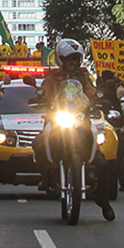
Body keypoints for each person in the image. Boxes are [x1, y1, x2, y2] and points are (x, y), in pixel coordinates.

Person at [31, 38, 115, 222]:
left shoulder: (84, 77)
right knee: (38, 143)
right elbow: (44, 92)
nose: (72, 62)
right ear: (61, 59)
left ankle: (103, 200)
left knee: (103, 163)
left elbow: (91, 93)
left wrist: (98, 99)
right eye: (69, 58)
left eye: (75, 59)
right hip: (58, 118)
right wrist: (40, 97)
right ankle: (45, 177)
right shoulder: (52, 78)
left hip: (80, 120)